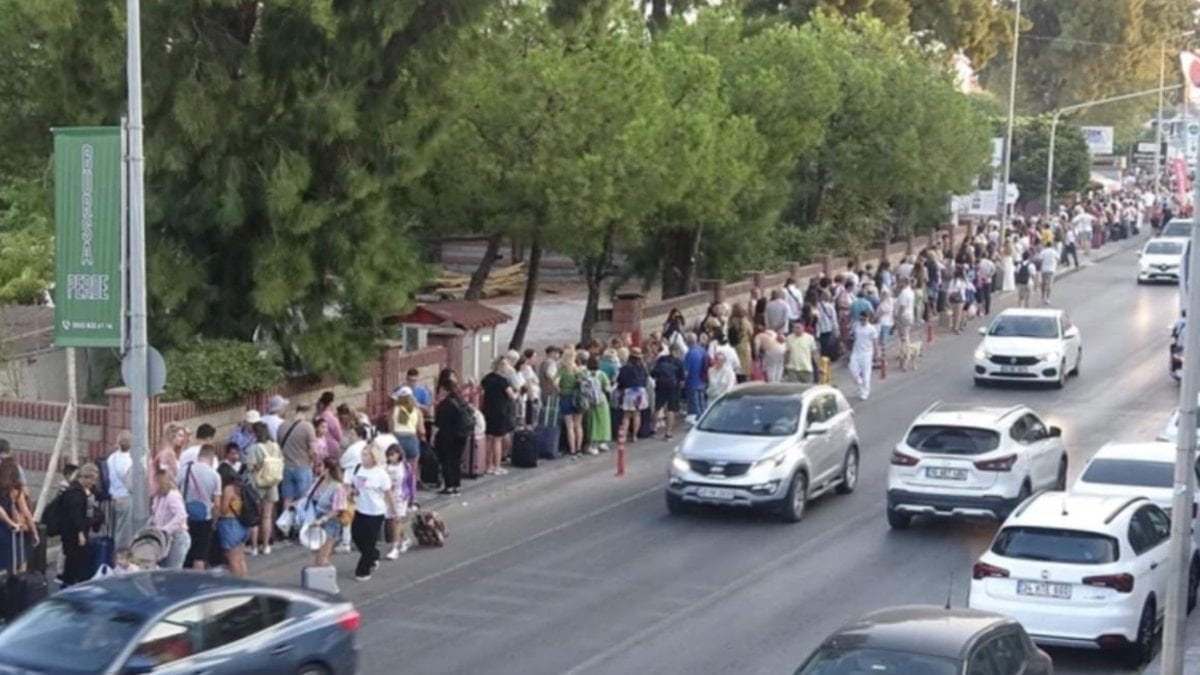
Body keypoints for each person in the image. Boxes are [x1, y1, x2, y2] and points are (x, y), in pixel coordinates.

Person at [350, 444, 392, 582]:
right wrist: (353, 492)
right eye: (362, 454)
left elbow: (387, 493)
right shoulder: (358, 469)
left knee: (369, 541)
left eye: (366, 455)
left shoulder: (380, 474)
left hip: (375, 511)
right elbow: (356, 487)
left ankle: (363, 569)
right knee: (356, 536)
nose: (363, 457)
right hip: (360, 508)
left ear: (373, 457)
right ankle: (373, 555)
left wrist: (394, 510)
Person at [176, 445, 221, 570]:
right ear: (211, 458)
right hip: (205, 519)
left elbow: (175, 490)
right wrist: (214, 522)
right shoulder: (215, 476)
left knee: (185, 552)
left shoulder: (184, 470)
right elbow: (217, 504)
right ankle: (197, 583)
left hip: (185, 517)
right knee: (200, 555)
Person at [243, 422, 281, 556]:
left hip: (257, 484)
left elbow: (249, 467)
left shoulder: (254, 448)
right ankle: (266, 546)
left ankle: (253, 547)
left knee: (255, 517)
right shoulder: (275, 446)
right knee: (267, 516)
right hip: (272, 484)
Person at [60, 463, 99, 587]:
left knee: (75, 558)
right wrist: (80, 532)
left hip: (78, 528)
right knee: (75, 558)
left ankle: (71, 581)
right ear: (86, 478)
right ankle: (71, 582)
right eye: (92, 480)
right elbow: (75, 515)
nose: (93, 483)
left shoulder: (81, 490)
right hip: (73, 531)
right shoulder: (75, 493)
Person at [278, 404, 318, 523]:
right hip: (303, 467)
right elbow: (313, 450)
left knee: (287, 498)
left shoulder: (282, 426)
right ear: (308, 412)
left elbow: (280, 445)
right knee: (304, 498)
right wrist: (314, 463)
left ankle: (286, 525)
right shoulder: (307, 427)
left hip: (286, 466)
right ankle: (301, 525)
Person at [307, 459, 348, 568]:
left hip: (330, 522)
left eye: (320, 466)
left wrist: (323, 519)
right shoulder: (317, 482)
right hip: (316, 521)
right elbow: (307, 497)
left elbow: (338, 509)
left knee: (322, 557)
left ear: (328, 469)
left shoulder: (337, 486)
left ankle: (325, 578)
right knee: (316, 555)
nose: (317, 469)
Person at [481, 357, 517, 473]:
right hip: (500, 412)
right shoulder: (503, 381)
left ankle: (488, 465)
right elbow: (512, 396)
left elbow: (481, 390)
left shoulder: (487, 378)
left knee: (489, 439)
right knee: (497, 440)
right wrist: (517, 394)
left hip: (487, 410)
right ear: (501, 367)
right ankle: (497, 466)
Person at [434, 383, 471, 495]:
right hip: (461, 435)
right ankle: (456, 485)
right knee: (456, 460)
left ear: (446, 390)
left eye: (441, 390)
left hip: (447, 436)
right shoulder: (461, 401)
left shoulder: (445, 404)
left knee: (447, 461)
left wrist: (433, 437)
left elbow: (438, 423)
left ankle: (449, 486)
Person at [149, 470, 190, 569]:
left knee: (172, 569)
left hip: (176, 537)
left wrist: (165, 529)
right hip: (163, 538)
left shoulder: (172, 496)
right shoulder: (158, 497)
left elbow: (181, 515)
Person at [0, 460, 35, 574]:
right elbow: (26, 512)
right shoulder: (16, 491)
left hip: (6, 527)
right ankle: (16, 584)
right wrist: (34, 532)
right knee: (17, 559)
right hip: (11, 530)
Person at [214, 464, 248, 578]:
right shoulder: (239, 486)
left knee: (232, 560)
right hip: (242, 523)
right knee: (240, 558)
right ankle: (245, 584)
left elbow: (223, 509)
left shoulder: (228, 488)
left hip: (229, 525)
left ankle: (237, 586)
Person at [384, 445, 415, 559]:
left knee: (397, 520)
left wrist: (412, 498)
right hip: (389, 497)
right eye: (389, 455)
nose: (391, 457)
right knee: (393, 521)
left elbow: (410, 482)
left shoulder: (405, 467)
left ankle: (395, 547)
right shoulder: (386, 468)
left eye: (393, 454)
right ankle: (405, 539)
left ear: (399, 454)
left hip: (401, 496)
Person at [105, 430, 134, 550]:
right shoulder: (129, 461)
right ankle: (119, 559)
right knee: (123, 533)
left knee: (112, 531)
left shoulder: (111, 457)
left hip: (113, 496)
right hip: (125, 497)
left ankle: (111, 555)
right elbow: (130, 484)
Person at [650, 345, 685, 440]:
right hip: (673, 388)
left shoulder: (661, 359)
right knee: (671, 410)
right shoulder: (679, 362)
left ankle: (653, 429)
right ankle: (668, 433)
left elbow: (653, 373)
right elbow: (682, 378)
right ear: (676, 351)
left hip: (661, 386)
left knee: (657, 407)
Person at [616, 348, 649, 443]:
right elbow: (646, 380)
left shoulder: (624, 368)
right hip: (640, 392)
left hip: (628, 392)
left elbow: (620, 381)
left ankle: (624, 436)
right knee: (637, 414)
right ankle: (634, 436)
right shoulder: (643, 368)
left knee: (626, 416)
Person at [558, 346, 584, 456]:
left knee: (569, 426)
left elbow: (555, 382)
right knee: (578, 425)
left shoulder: (562, 371)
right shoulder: (578, 370)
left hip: (565, 397)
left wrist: (560, 390)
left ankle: (572, 449)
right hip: (578, 398)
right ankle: (579, 448)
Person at [584, 356, 613, 454]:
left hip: (590, 401)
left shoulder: (585, 374)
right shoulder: (602, 375)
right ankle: (602, 442)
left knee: (592, 422)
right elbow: (608, 388)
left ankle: (592, 444)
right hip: (601, 400)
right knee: (603, 421)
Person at [849, 311, 879, 401]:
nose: (862, 321)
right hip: (856, 352)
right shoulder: (856, 325)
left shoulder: (872, 329)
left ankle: (865, 392)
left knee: (866, 374)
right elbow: (852, 334)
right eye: (860, 319)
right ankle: (860, 383)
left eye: (864, 319)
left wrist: (876, 354)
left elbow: (875, 342)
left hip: (867, 354)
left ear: (868, 318)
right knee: (852, 369)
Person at [1039, 240, 1059, 305]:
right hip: (1051, 269)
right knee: (1050, 284)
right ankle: (1047, 298)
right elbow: (1058, 258)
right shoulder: (1054, 252)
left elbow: (1040, 259)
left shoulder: (1043, 251)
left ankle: (1042, 296)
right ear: (1051, 245)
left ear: (1046, 245)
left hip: (1044, 269)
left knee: (1043, 283)